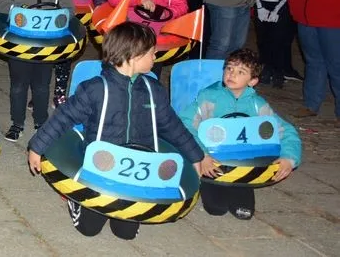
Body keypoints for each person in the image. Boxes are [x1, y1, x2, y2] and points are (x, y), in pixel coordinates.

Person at [27, 22, 213, 240]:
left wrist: (196, 155)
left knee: (125, 233)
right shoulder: (95, 89)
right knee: (89, 229)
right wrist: (37, 147)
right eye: (152, 53)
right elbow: (63, 118)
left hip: (139, 165)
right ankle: (75, 202)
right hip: (102, 165)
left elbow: (173, 127)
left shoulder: (153, 91)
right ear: (134, 57)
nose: (155, 58)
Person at [179, 48, 300, 220]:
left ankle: (241, 187)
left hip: (245, 164)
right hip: (212, 163)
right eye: (229, 68)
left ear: (252, 81)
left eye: (240, 72)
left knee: (244, 212)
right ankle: (207, 185)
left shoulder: (258, 105)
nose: (232, 74)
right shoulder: (208, 97)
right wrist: (201, 155)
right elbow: (185, 124)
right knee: (216, 208)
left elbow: (285, 130)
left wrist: (289, 157)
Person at [0, 0, 75, 141]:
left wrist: (55, 15)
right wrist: (17, 8)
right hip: (19, 39)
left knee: (41, 84)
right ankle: (17, 123)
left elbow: (69, 9)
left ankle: (41, 120)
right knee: (18, 84)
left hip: (46, 41)